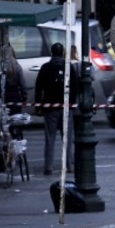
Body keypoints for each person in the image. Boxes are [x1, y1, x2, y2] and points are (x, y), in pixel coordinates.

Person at [34, 42, 78, 176]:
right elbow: (75, 86)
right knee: (67, 139)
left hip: (50, 107)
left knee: (50, 139)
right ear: (63, 53)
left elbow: (38, 86)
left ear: (52, 53)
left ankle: (49, 166)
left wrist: (38, 105)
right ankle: (69, 165)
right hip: (66, 107)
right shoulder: (68, 66)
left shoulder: (46, 67)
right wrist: (72, 103)